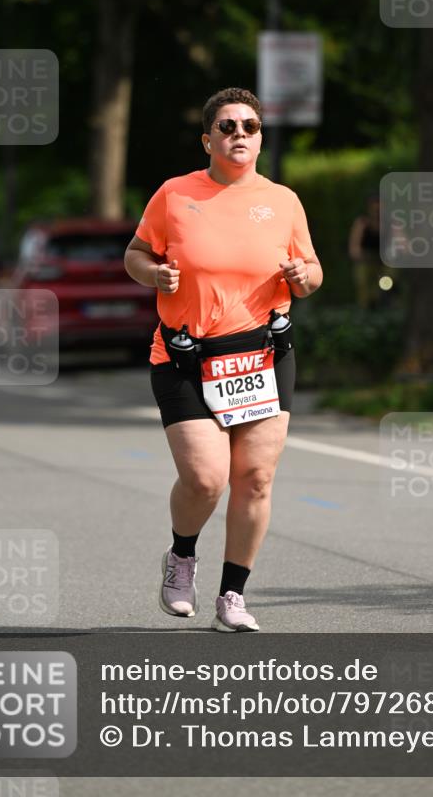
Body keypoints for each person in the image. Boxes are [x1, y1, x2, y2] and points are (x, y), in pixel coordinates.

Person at [124, 87, 322, 632]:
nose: (240, 134)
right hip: (187, 356)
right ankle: (181, 558)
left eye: (250, 127)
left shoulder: (282, 200)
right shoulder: (174, 194)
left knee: (255, 478)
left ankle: (232, 597)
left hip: (260, 357)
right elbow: (136, 254)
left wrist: (306, 278)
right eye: (229, 126)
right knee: (207, 478)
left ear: (260, 138)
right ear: (207, 139)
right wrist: (154, 273)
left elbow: (311, 269)